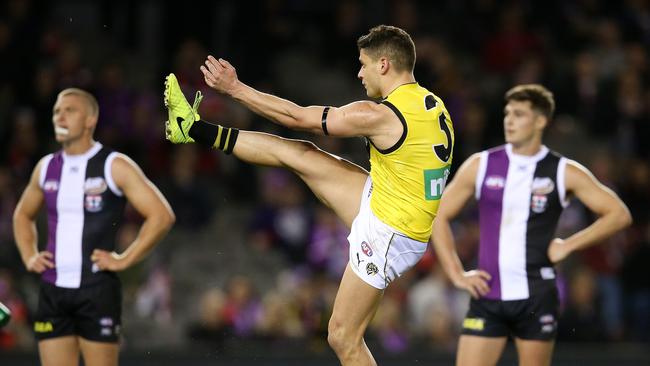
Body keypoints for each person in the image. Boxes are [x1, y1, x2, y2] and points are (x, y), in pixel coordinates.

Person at [164, 25, 454, 365]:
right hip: (391, 202)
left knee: (342, 337)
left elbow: (297, 117)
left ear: (384, 64)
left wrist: (236, 89)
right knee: (300, 154)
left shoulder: (379, 115)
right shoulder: (431, 104)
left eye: (363, 64)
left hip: (390, 232)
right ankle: (192, 127)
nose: (359, 73)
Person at [431, 84, 632, 366]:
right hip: (488, 293)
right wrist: (455, 272)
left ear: (540, 121)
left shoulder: (562, 170)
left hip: (536, 297)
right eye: (507, 113)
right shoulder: (482, 164)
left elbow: (619, 214)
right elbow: (437, 213)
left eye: (519, 114)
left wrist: (568, 244)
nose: (509, 120)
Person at [13, 88, 175, 366]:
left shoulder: (114, 165)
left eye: (69, 111)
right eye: (56, 112)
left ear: (91, 120)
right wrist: (29, 255)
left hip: (96, 290)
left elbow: (161, 216)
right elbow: (22, 216)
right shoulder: (46, 167)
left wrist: (126, 259)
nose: (60, 117)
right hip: (53, 290)